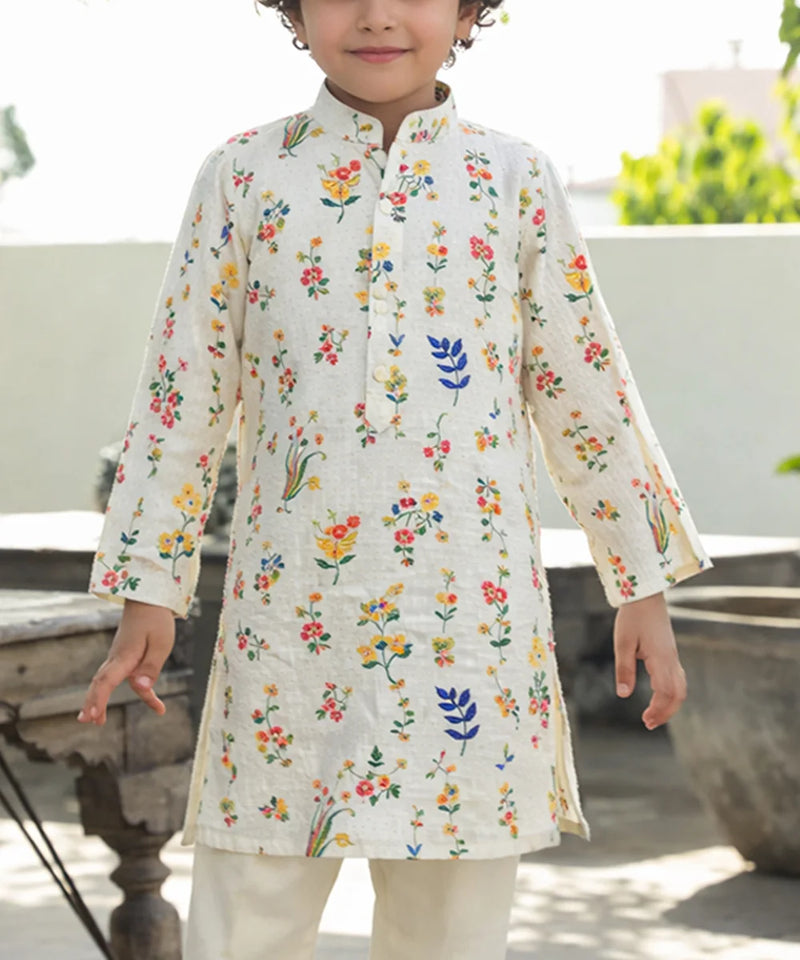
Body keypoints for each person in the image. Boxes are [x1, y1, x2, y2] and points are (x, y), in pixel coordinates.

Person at [78, 1, 712, 956]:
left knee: (450, 932)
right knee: (244, 913)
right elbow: (182, 395)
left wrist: (643, 587)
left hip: (468, 630)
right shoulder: (243, 179)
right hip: (290, 631)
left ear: (466, 9)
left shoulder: (515, 181)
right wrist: (146, 591)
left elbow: (587, 395)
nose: (376, 14)